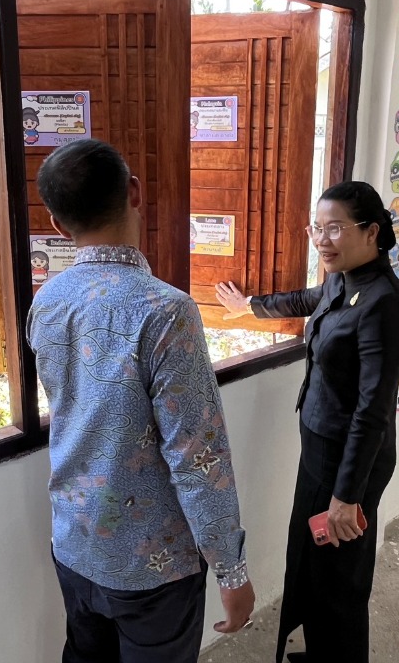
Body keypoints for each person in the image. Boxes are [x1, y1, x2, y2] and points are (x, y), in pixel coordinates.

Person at [27, 139, 255, 663]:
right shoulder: (166, 311)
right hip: (154, 563)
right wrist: (231, 569)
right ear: (134, 192)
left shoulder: (48, 300)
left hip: (75, 541)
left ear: (58, 225)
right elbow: (198, 457)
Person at [215, 181, 399, 663]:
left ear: (371, 232)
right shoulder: (342, 279)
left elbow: (372, 411)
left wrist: (347, 496)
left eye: (335, 229)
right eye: (317, 228)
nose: (323, 240)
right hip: (320, 451)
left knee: (339, 582)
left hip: (348, 463)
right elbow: (308, 299)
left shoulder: (385, 305)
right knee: (310, 566)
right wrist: (249, 307)